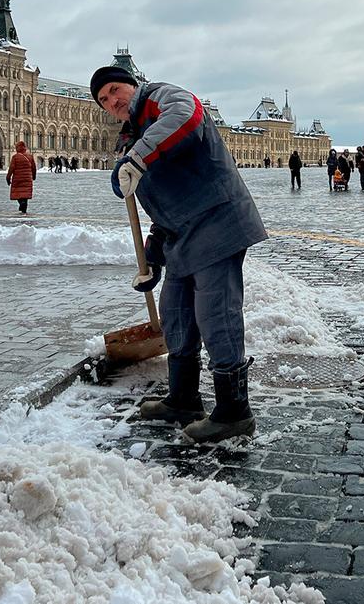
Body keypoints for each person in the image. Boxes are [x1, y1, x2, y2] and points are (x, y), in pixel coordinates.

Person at [92, 64, 267, 443]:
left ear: (131, 85)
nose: (112, 101)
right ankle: (184, 398)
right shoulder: (133, 136)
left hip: (217, 222)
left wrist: (137, 157)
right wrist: (151, 258)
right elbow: (161, 211)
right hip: (183, 237)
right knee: (176, 316)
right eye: (104, 100)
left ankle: (234, 411)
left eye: (114, 90)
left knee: (215, 315)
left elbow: (188, 115)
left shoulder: (160, 98)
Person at [6, 140, 36, 214]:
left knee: (18, 193)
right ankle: (24, 209)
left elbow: (11, 168)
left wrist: (8, 177)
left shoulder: (15, 157)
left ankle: (21, 203)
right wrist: (33, 176)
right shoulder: (30, 156)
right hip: (28, 178)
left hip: (18, 178)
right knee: (25, 193)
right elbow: (34, 168)